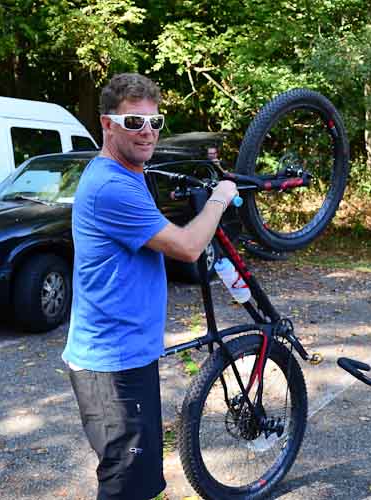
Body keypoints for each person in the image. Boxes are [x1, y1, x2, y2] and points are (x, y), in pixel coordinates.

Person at [61, 73, 238, 500]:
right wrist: (220, 195)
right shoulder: (111, 186)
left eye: (154, 123)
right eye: (134, 123)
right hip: (111, 366)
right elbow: (190, 247)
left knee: (141, 480)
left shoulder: (129, 171)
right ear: (107, 124)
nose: (147, 133)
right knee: (126, 486)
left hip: (128, 355)